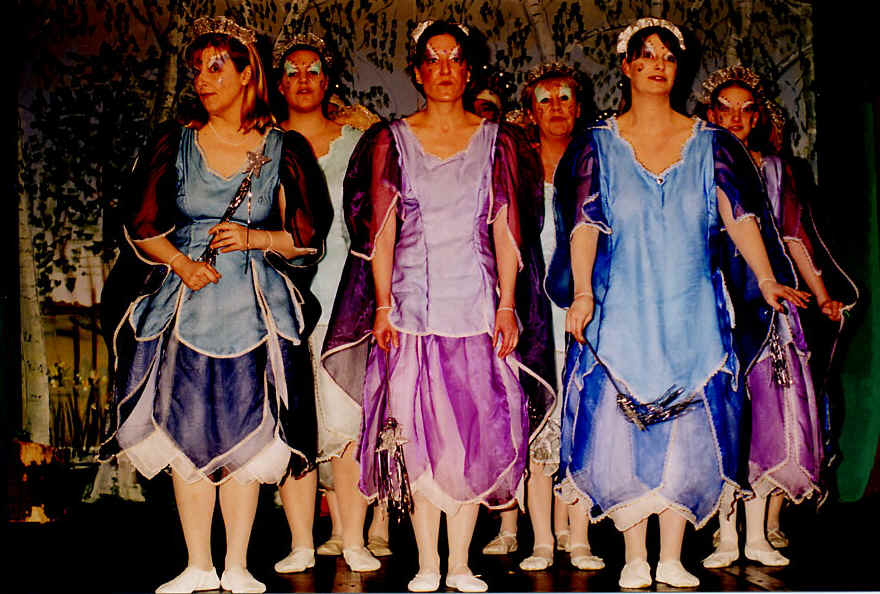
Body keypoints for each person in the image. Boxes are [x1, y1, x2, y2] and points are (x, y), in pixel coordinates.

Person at [546, 18, 810, 589]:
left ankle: (671, 555)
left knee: (690, 431)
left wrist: (766, 278)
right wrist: (583, 291)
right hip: (624, 309)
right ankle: (634, 555)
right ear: (626, 66)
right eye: (646, 55)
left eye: (667, 56)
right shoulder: (599, 143)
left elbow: (738, 214)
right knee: (622, 430)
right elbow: (585, 222)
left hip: (691, 308)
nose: (657, 64)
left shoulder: (710, 143)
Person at [98, 16, 331, 594]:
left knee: (249, 429)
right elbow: (140, 223)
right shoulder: (174, 143)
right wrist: (181, 264)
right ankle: (198, 563)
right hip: (186, 307)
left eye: (216, 67)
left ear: (248, 74)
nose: (202, 79)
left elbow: (306, 237)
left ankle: (238, 565)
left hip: (255, 308)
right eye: (197, 68)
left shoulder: (283, 148)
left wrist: (256, 238)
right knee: (186, 427)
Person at [322, 19, 555, 593]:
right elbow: (382, 228)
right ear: (418, 71)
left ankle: (459, 563)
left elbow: (506, 226)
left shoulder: (498, 140)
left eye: (455, 58)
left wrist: (507, 304)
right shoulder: (392, 140)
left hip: (476, 311)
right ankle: (428, 562)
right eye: (434, 58)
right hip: (410, 314)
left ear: (468, 70)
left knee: (474, 435)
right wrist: (382, 306)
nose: (445, 68)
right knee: (416, 435)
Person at [700, 65, 855, 568]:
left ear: (758, 117)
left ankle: (759, 532)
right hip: (711, 297)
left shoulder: (775, 170)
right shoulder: (694, 161)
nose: (736, 118)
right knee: (721, 414)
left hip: (769, 302)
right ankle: (725, 533)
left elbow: (793, 236)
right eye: (726, 108)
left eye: (747, 110)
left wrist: (822, 294)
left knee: (770, 413)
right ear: (710, 114)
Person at [271, 29, 388, 575]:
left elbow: (378, 220)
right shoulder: (264, 142)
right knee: (293, 423)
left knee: (346, 422)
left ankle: (353, 537)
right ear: (278, 83)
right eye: (292, 71)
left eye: (313, 70)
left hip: (348, 296)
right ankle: (300, 541)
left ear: (328, 80)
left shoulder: (359, 142)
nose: (303, 79)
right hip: (282, 299)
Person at [484, 63, 603, 574]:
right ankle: (540, 538)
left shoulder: (596, 162)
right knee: (536, 424)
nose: (556, 108)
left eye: (565, 98)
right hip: (531, 308)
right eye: (545, 100)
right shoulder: (518, 166)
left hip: (585, 304)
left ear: (579, 107)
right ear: (530, 112)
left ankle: (579, 536)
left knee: (581, 421)